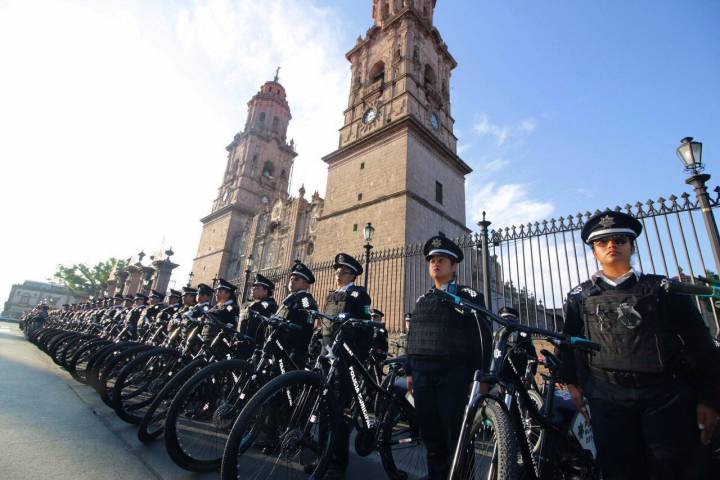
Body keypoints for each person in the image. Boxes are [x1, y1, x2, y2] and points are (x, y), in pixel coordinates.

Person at [560, 210, 720, 479]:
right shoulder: (579, 296)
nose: (612, 245)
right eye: (603, 242)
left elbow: (700, 344)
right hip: (607, 398)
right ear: (593, 251)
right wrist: (572, 382)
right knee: (618, 470)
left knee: (672, 468)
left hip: (664, 397)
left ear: (632, 246)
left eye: (620, 240)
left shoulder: (663, 289)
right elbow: (570, 341)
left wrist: (710, 398)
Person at [405, 233, 492, 480]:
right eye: (432, 259)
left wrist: (481, 377)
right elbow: (414, 339)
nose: (435, 263)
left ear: (454, 266)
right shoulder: (423, 299)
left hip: (453, 376)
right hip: (423, 376)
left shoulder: (469, 297)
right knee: (431, 437)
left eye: (442, 259)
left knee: (456, 437)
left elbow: (482, 339)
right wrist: (409, 372)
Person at [320, 253, 372, 479]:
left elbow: (366, 327)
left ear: (352, 274)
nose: (338, 274)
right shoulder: (331, 295)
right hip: (327, 355)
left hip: (343, 359)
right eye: (337, 270)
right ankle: (322, 457)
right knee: (323, 407)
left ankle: (338, 463)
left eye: (343, 271)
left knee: (339, 412)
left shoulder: (359, 294)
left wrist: (355, 357)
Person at [237, 273, 278, 352]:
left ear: (265, 291)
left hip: (255, 347)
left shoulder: (269, 306)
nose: (253, 289)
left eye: (257, 287)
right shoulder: (247, 304)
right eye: (253, 287)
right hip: (241, 343)